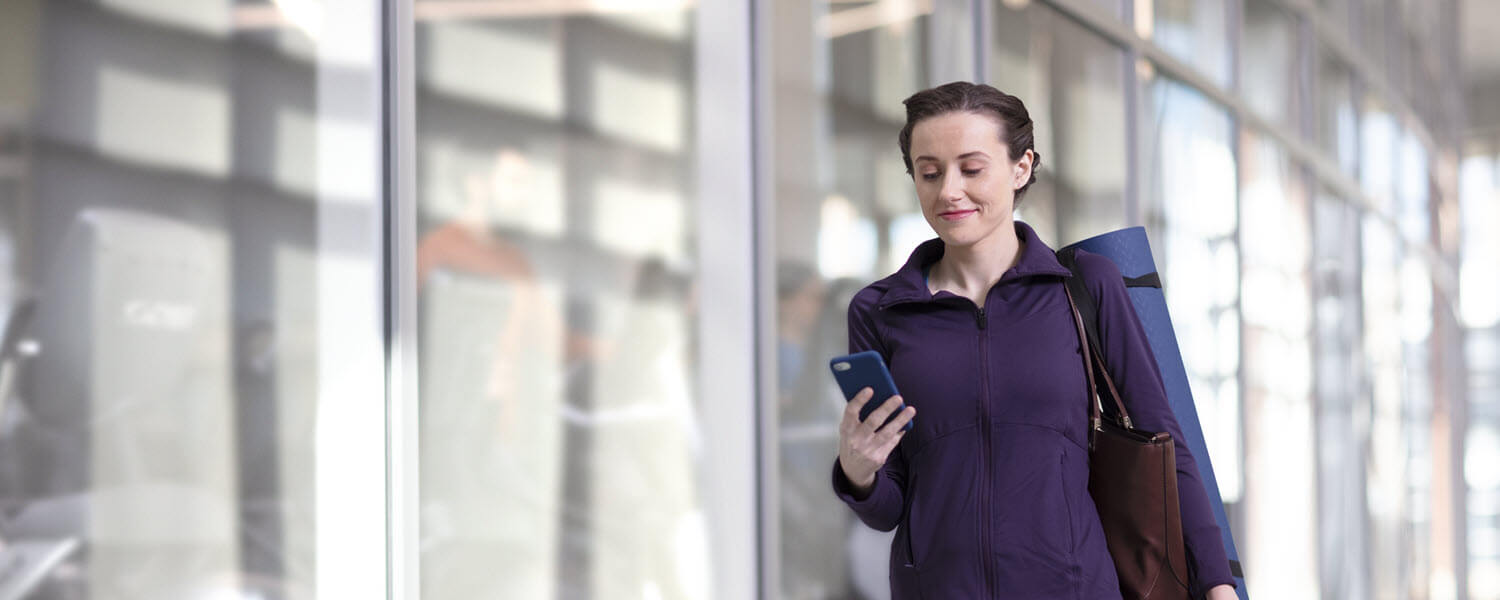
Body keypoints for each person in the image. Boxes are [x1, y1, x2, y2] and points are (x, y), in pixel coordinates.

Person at [830, 81, 1238, 599]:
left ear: (1021, 167)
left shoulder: (1086, 285)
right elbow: (889, 508)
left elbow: (1165, 441)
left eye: (971, 169)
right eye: (929, 172)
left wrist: (1218, 583)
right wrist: (858, 470)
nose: (948, 190)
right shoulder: (881, 310)